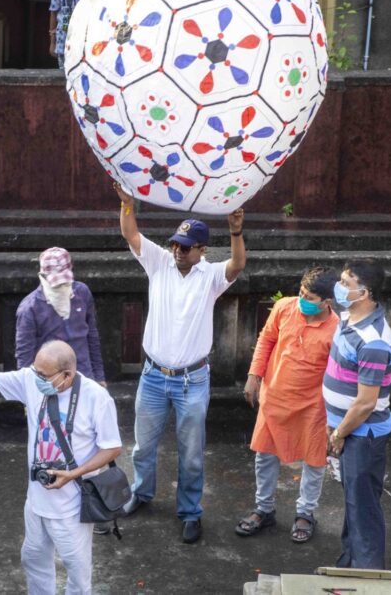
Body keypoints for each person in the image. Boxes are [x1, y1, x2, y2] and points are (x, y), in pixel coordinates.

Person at [114, 182, 246, 544]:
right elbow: (132, 233)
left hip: (192, 380)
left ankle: (190, 512)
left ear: (202, 251)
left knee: (190, 453)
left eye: (186, 247)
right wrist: (128, 206)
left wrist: (235, 231)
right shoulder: (159, 263)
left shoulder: (211, 277)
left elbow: (237, 264)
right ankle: (141, 494)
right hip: (153, 375)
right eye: (175, 244)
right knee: (142, 445)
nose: (178, 251)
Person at [0, 336, 122, 595]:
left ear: (67, 374)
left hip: (71, 507)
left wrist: (74, 473)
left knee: (77, 572)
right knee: (33, 560)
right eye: (35, 371)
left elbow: (112, 447)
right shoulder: (33, 380)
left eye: (43, 374)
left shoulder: (96, 398)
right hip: (36, 502)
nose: (37, 378)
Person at [235, 266, 340, 544]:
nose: (302, 299)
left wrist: (337, 418)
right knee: (264, 455)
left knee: (315, 461)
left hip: (313, 405)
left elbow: (339, 375)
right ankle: (264, 509)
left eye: (310, 297)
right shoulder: (284, 307)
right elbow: (266, 340)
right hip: (274, 396)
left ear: (327, 302)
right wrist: (253, 376)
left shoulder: (337, 329)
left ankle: (305, 514)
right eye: (301, 293)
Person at [323, 258, 391, 569]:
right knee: (354, 504)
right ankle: (348, 565)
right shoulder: (348, 317)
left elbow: (366, 403)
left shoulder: (374, 342)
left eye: (346, 284)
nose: (339, 289)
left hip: (361, 435)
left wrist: (339, 433)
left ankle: (368, 576)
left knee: (363, 509)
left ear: (364, 293)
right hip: (346, 431)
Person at [16, 247, 105, 386]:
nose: (61, 286)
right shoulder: (29, 308)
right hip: (51, 381)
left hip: (85, 377)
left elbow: (92, 336)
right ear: (43, 276)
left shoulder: (82, 293)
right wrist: (28, 391)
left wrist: (99, 377)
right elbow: (24, 355)